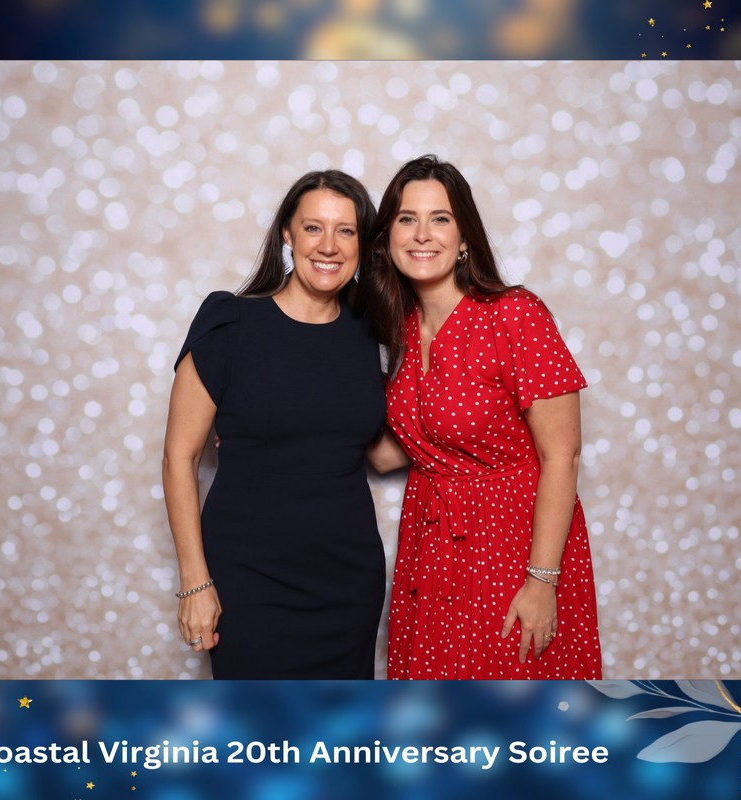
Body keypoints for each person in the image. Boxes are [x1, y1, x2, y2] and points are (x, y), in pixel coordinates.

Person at [361, 155, 602, 679]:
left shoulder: (514, 314)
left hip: (512, 545)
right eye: (406, 218)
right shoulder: (397, 329)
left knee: (513, 719)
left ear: (464, 235)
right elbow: (384, 456)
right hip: (429, 548)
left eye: (440, 218)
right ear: (386, 238)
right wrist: (275, 422)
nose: (422, 234)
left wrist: (542, 581)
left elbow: (562, 454)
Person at [162, 170, 387, 679]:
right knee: (258, 743)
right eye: (313, 228)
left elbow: (377, 448)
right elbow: (179, 457)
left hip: (348, 581)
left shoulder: (368, 328)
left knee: (341, 744)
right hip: (249, 578)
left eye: (346, 231)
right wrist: (196, 583)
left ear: (362, 243)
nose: (328, 245)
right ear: (287, 233)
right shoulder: (230, 323)